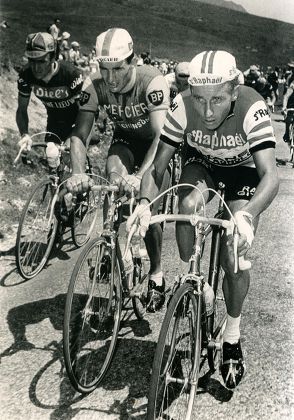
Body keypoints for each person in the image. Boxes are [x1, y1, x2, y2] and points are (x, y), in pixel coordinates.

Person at [127, 50, 279, 389]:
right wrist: (143, 203)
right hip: (203, 165)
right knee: (186, 205)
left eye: (218, 100)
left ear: (234, 91)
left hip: (244, 172)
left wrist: (247, 215)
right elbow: (157, 168)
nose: (207, 112)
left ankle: (232, 337)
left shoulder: (252, 106)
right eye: (199, 100)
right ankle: (195, 284)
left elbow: (270, 176)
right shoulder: (181, 105)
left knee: (234, 255)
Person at [66, 27, 170, 312]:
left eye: (118, 69)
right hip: (124, 141)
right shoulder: (95, 83)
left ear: (133, 61)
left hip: (157, 146)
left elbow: (162, 136)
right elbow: (80, 134)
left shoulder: (153, 81)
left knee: (147, 209)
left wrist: (139, 177)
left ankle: (157, 274)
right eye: (104, 69)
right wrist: (77, 172)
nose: (110, 78)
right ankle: (110, 247)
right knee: (113, 185)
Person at [16, 32, 83, 156]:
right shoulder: (26, 75)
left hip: (79, 119)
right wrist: (24, 134)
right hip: (55, 120)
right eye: (32, 60)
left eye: (41, 61)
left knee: (71, 157)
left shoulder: (71, 75)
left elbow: (84, 112)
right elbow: (21, 109)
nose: (36, 67)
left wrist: (72, 139)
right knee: (52, 159)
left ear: (53, 57)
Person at [282, 63, 294, 143]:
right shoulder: (290, 78)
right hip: (291, 103)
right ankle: (287, 133)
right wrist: (284, 107)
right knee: (288, 119)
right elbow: (286, 96)